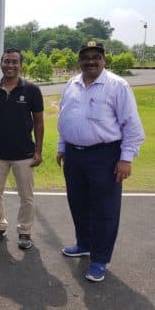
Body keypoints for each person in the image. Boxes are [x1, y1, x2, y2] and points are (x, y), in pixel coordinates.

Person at [56, 41, 145, 282]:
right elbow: (64, 119)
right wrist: (62, 147)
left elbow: (132, 127)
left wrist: (126, 159)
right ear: (79, 61)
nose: (91, 61)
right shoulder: (71, 84)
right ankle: (84, 244)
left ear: (104, 60)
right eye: (86, 57)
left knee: (105, 210)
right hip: (74, 156)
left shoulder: (117, 85)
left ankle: (99, 259)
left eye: (96, 56)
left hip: (104, 156)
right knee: (79, 203)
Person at [0, 48, 44, 250]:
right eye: (7, 61)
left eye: (15, 62)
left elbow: (39, 123)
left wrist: (38, 151)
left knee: (27, 196)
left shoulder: (32, 90)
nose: (10, 65)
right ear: (1, 63)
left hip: (23, 154)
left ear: (20, 65)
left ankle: (25, 232)